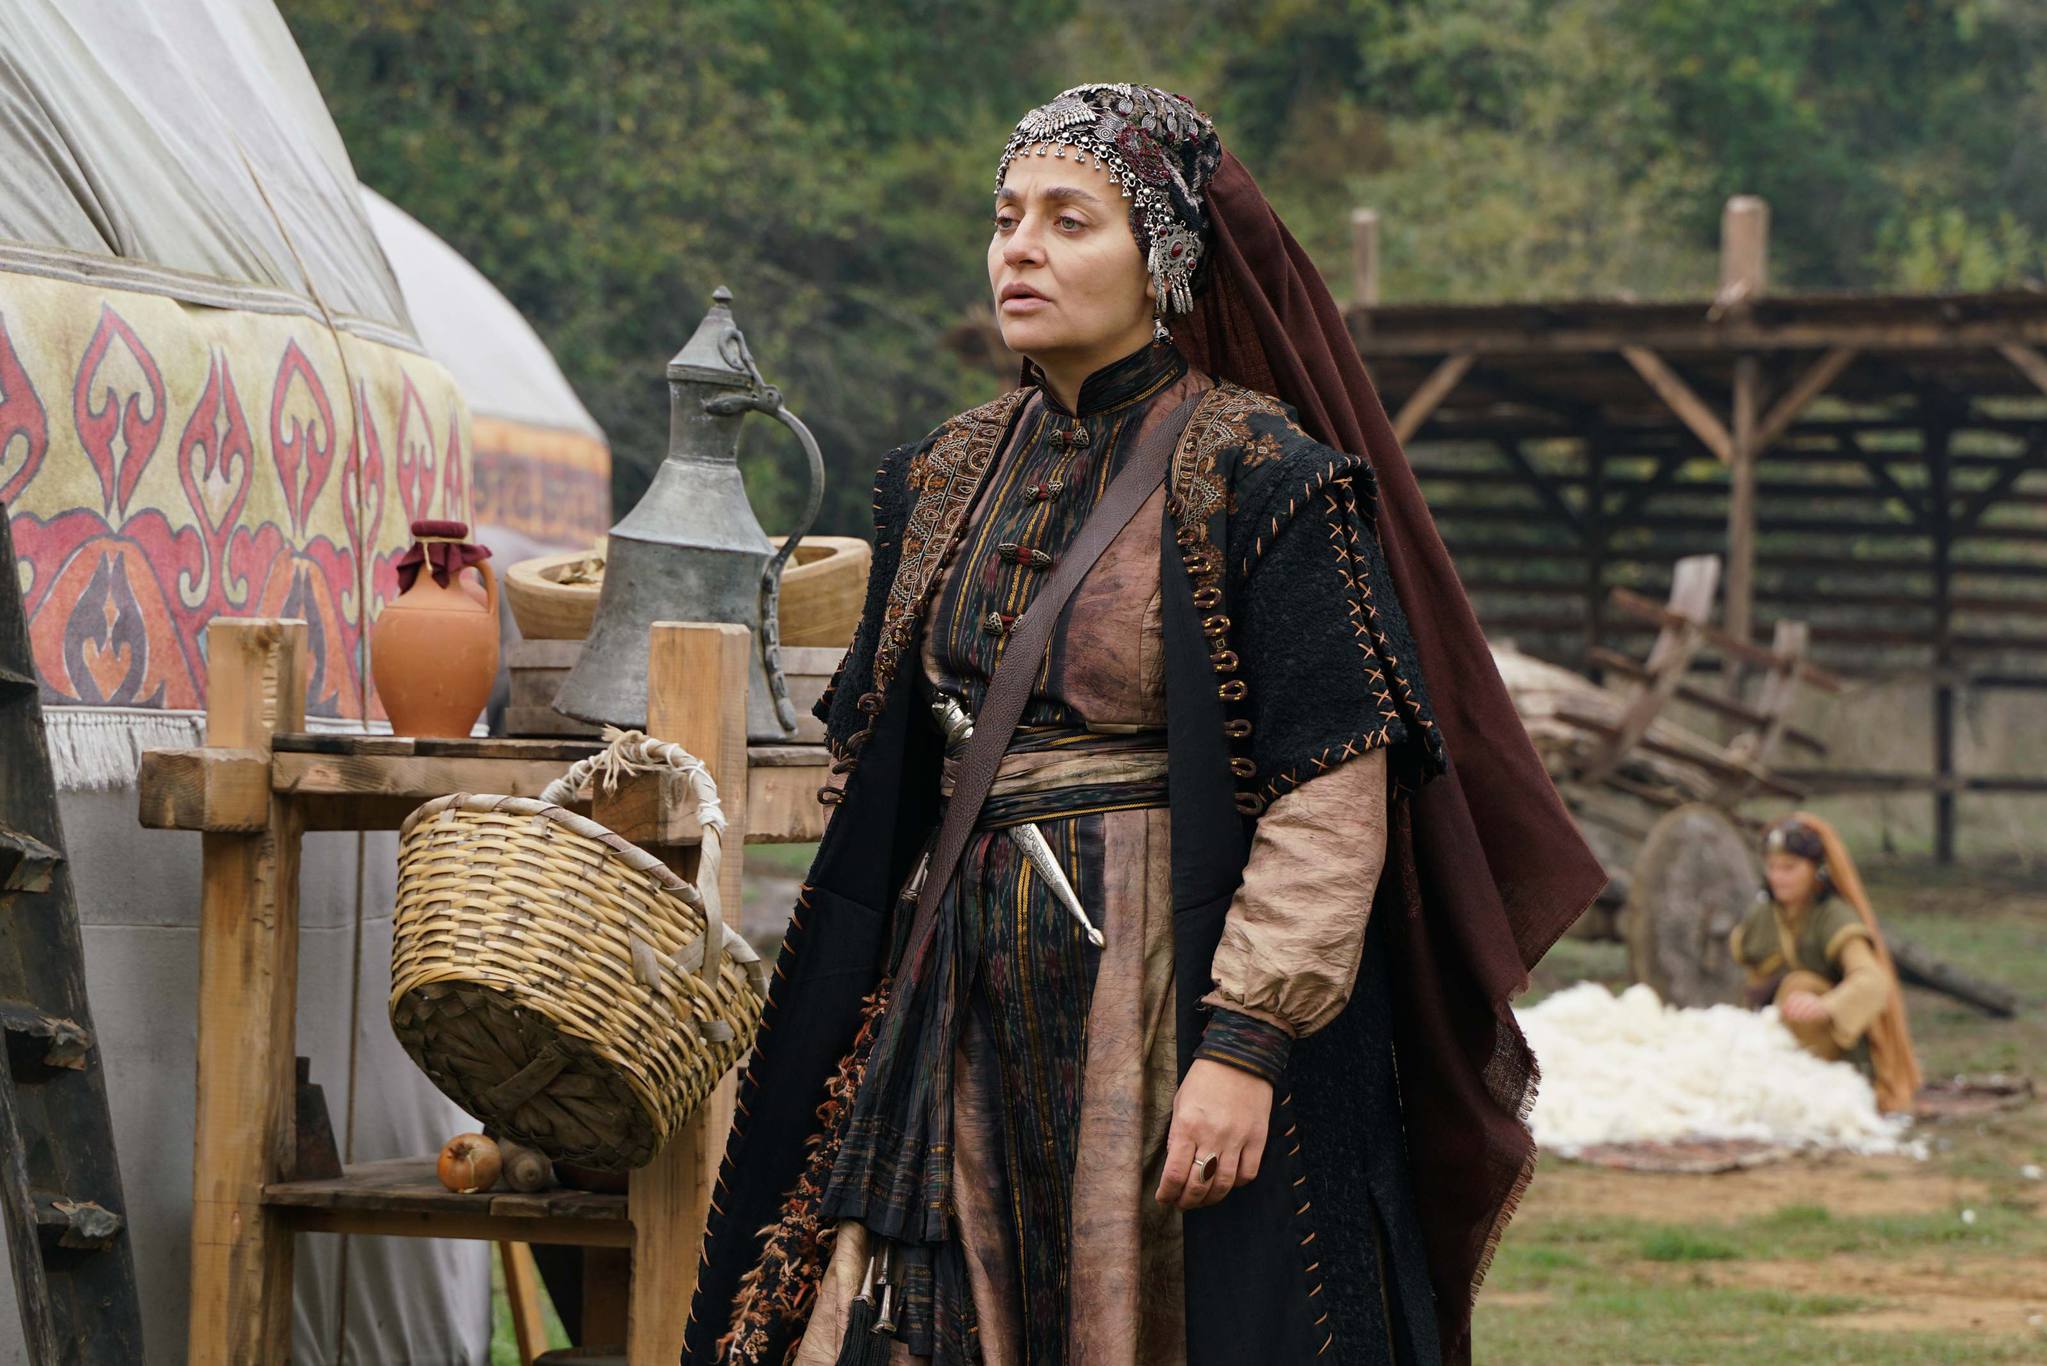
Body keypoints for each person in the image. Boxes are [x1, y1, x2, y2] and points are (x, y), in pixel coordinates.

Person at [682, 84, 1603, 1366]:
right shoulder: (937, 478)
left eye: (1070, 221)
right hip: (952, 999)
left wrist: (1245, 1047)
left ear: (1162, 260)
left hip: (1158, 1001)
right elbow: (882, 760)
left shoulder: (1261, 476)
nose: (1020, 248)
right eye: (1007, 218)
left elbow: (1330, 794)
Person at [1732, 813, 1922, 1113]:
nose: (1778, 877)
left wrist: (1827, 1005)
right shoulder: (1764, 915)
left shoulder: (1833, 916)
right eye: (1772, 867)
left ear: (1815, 870)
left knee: (1799, 986)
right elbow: (1750, 971)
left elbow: (1873, 980)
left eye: (1790, 868)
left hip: (1834, 1048)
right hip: (1773, 1035)